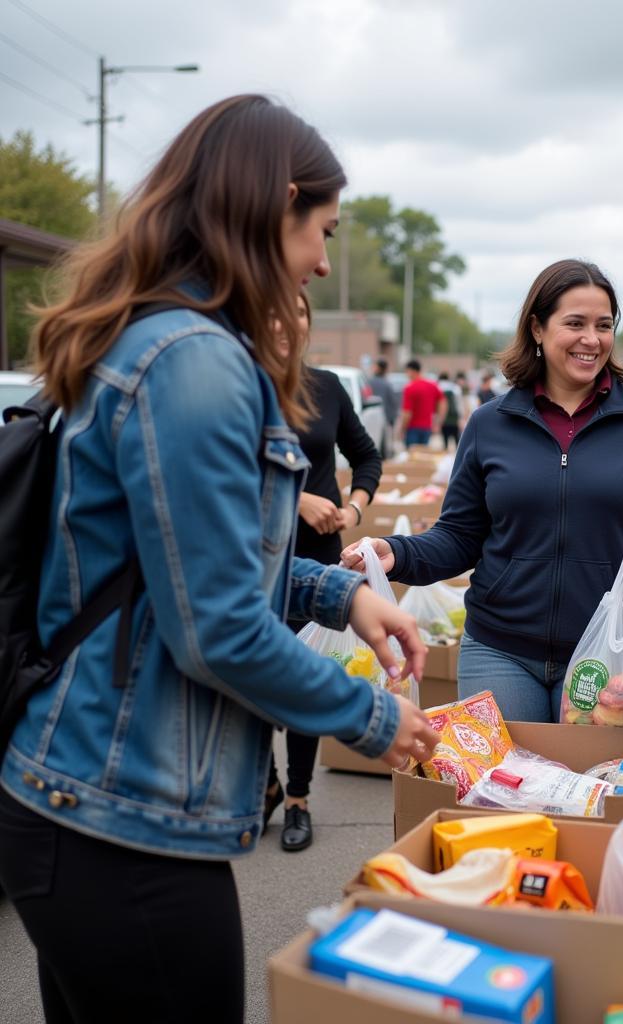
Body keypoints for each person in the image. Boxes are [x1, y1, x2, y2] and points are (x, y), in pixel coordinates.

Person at [0, 94, 437, 1024]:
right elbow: (218, 629)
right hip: (117, 818)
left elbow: (180, 576)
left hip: (88, 804)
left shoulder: (163, 338)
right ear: (271, 205)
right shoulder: (193, 361)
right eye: (320, 230)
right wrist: (373, 716)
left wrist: (332, 592)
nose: (323, 259)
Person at [344, 259, 623, 722]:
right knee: (504, 793)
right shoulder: (489, 423)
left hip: (608, 654)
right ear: (538, 328)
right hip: (498, 650)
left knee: (595, 791)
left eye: (604, 325)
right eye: (575, 323)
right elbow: (461, 536)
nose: (592, 339)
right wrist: (396, 553)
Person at [263, 292, 383, 853]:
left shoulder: (327, 387)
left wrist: (353, 508)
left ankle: (298, 799)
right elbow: (221, 479)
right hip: (255, 555)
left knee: (306, 674)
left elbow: (367, 456)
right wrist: (294, 501)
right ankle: (264, 782)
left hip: (318, 556)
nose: (287, 324)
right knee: (253, 676)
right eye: (274, 312)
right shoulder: (242, 387)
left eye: (299, 313)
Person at [400, 358, 446, 448]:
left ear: (411, 371)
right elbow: (443, 403)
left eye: (407, 372)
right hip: (427, 428)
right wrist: (438, 422)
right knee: (423, 455)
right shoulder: (433, 385)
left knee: (412, 457)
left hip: (412, 428)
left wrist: (402, 429)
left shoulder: (409, 388)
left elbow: (407, 413)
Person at [369, 356, 398, 455]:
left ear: (378, 368)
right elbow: (393, 402)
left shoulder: (369, 382)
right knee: (382, 448)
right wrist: (392, 419)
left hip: (371, 419)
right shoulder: (387, 384)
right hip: (384, 419)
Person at [437, 371, 463, 449]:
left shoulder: (438, 387)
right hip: (454, 418)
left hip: (443, 419)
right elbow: (459, 404)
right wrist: (460, 418)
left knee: (445, 442)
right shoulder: (455, 387)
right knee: (457, 441)